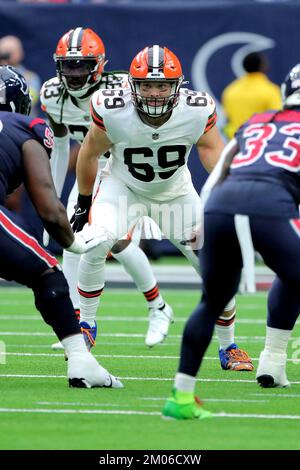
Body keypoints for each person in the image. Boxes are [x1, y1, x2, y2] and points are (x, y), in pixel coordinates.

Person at [74, 44, 253, 370]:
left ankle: (229, 347)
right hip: (123, 188)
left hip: (175, 193)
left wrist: (232, 190)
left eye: (162, 85)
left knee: (214, 266)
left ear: (177, 86)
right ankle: (85, 324)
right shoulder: (111, 107)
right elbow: (89, 153)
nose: (154, 93)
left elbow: (212, 150)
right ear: (133, 85)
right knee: (96, 242)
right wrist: (84, 202)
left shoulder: (196, 109)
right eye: (146, 85)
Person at [162, 63, 300, 420]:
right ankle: (273, 358)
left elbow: (223, 164)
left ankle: (182, 398)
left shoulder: (258, 122)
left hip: (221, 205)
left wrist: (203, 217)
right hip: (271, 206)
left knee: (212, 302)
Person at [40, 28, 173, 350]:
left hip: (126, 169)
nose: (74, 74)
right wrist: (54, 197)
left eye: (81, 65)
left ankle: (85, 324)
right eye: (68, 66)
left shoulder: (123, 88)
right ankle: (148, 308)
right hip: (92, 171)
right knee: (97, 243)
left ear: (99, 64)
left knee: (96, 240)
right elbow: (59, 147)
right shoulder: (52, 94)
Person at [0, 65, 122, 389]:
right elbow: (50, 209)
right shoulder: (28, 127)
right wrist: (74, 244)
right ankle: (82, 363)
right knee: (47, 273)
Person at [222, 52, 282, 294]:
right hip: (263, 154)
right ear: (263, 66)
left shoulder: (230, 90)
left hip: (236, 150)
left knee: (236, 205)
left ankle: (239, 251)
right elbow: (279, 123)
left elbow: (227, 121)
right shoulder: (269, 91)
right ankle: (265, 248)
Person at [0, 35, 41, 116]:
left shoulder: (30, 77)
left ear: (20, 53)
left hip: (24, 124)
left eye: (9, 51)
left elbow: (30, 99)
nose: (5, 55)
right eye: (3, 52)